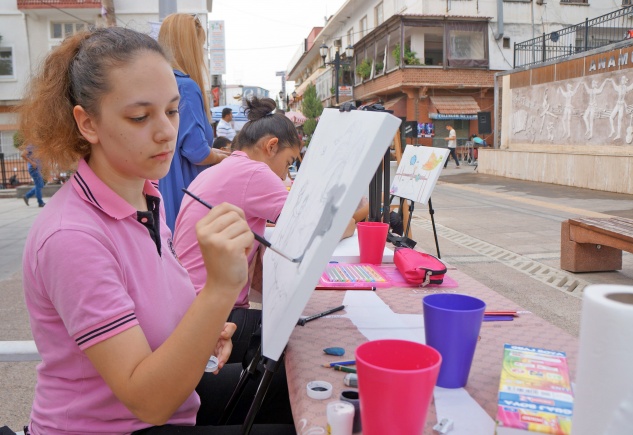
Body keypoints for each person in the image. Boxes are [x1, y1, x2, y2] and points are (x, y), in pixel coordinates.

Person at [18, 27, 293, 434]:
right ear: (87, 123)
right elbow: (150, 402)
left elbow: (157, 315)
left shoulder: (145, 198)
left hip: (172, 402)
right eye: (140, 116)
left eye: (172, 110)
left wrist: (206, 329)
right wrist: (218, 291)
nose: (166, 131)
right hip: (119, 424)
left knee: (305, 386)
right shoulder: (71, 237)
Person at [174, 97, 355, 363]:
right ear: (271, 146)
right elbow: (323, 228)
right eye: (288, 162)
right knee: (307, 344)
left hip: (190, 305)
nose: (285, 176)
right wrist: (350, 221)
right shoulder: (256, 173)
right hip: (213, 316)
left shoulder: (225, 167)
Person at [158, 14, 228, 233]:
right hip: (186, 192)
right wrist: (222, 156)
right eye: (200, 46)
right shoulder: (185, 87)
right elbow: (196, 151)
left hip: (161, 188)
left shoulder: (156, 83)